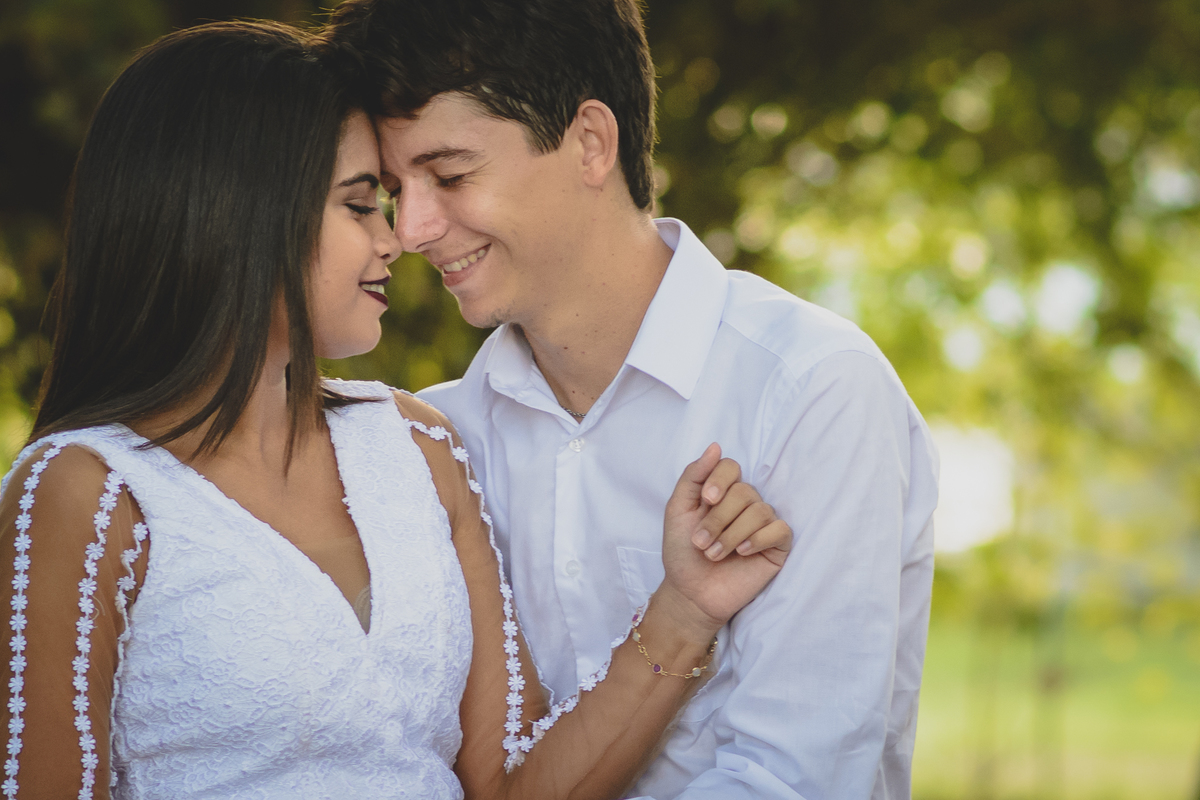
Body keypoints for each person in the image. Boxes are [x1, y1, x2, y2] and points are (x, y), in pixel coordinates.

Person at [0, 21, 793, 799]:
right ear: (237, 215)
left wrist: (685, 610)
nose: (398, 239)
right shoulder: (87, 494)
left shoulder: (418, 447)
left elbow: (512, 787)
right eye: (360, 205)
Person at [321, 0, 940, 797]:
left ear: (590, 143)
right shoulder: (442, 440)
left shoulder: (810, 390)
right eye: (396, 189)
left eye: (449, 175)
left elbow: (792, 777)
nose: (412, 229)